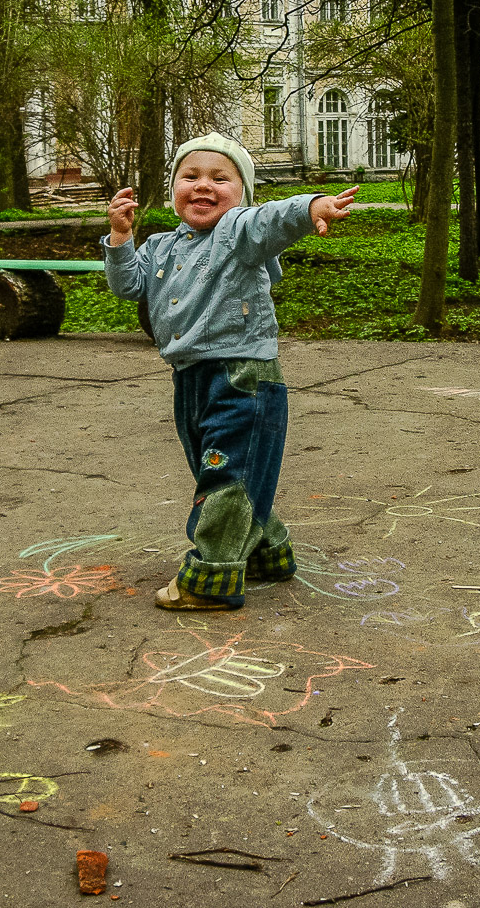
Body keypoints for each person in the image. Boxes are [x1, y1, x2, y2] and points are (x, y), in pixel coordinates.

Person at [101, 132, 358, 611]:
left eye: (221, 178)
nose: (203, 186)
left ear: (242, 193)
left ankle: (212, 576)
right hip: (191, 376)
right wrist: (120, 238)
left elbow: (273, 218)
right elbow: (129, 284)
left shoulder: (238, 232)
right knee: (218, 466)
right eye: (190, 176)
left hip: (244, 375)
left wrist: (313, 206)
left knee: (226, 472)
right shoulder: (160, 245)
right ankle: (266, 551)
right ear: (172, 187)